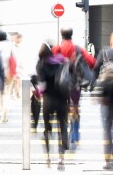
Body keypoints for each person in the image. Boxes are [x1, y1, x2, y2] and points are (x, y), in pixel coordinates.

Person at [52, 27, 96, 147]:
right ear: (72, 35)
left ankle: (65, 132)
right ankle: (75, 133)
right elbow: (92, 62)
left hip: (60, 84)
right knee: (75, 106)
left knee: (64, 107)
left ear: (62, 35)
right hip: (75, 83)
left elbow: (48, 62)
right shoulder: (77, 48)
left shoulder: (57, 48)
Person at [36, 42, 69, 171]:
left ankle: (48, 158)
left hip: (48, 101)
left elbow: (42, 86)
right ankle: (61, 160)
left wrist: (37, 92)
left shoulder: (41, 65)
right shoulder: (61, 62)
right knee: (62, 128)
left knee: (47, 129)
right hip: (61, 100)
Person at [92, 32, 113, 170]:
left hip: (106, 96)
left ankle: (108, 161)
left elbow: (94, 71)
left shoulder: (104, 53)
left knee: (107, 129)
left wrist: (95, 89)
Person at [0, 30, 13, 122]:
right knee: (7, 94)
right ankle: (5, 115)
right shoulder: (11, 45)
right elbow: (15, 59)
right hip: (9, 72)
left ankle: (2, 109)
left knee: (0, 93)